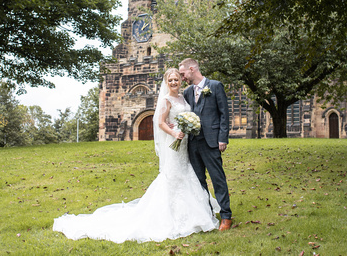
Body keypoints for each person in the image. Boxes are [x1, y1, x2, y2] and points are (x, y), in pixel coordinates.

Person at [53, 68, 219, 243]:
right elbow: (160, 122)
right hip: (173, 143)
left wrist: (186, 127)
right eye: (170, 80)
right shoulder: (166, 99)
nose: (173, 83)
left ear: (180, 80)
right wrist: (173, 132)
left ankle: (193, 212)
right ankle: (169, 216)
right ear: (166, 82)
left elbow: (184, 115)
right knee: (173, 176)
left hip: (184, 143)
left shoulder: (183, 97)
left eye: (176, 79)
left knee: (186, 174)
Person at [179, 58, 233, 231]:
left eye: (183, 74)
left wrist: (222, 138)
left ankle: (226, 216)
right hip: (193, 143)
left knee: (218, 179)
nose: (182, 78)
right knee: (199, 180)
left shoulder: (215, 86)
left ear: (192, 69)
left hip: (211, 141)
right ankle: (207, 213)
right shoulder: (187, 92)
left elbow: (224, 114)